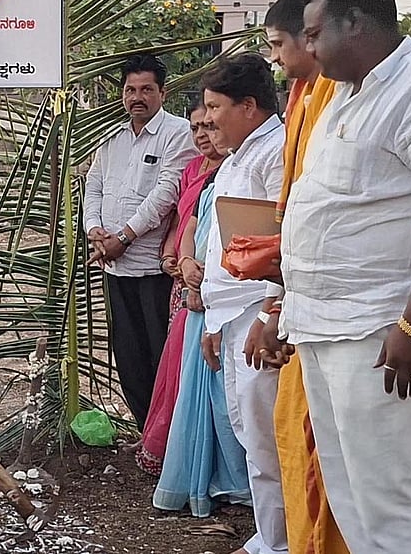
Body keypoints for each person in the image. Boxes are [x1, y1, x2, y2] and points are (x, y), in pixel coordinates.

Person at [278, 0, 411, 553]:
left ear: (355, 23)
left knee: (391, 498)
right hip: (320, 326)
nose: (307, 48)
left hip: (378, 331)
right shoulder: (339, 93)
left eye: (314, 35)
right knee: (347, 493)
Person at [249, 0, 347, 554]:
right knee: (291, 435)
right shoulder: (303, 97)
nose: (279, 57)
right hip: (299, 298)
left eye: (281, 44)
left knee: (332, 458)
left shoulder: (343, 96)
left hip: (344, 310)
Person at [198, 53, 288, 554]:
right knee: (249, 433)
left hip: (258, 315)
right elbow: (222, 246)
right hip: (230, 315)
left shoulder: (274, 153)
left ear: (249, 106)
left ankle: (283, 541)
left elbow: (284, 245)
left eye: (215, 107)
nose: (207, 119)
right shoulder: (236, 158)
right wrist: (214, 319)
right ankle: (270, 535)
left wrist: (267, 313)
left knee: (270, 438)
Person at [83, 54, 197, 428]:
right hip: (113, 266)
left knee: (159, 355)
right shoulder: (111, 137)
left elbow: (166, 194)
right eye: (130, 90)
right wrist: (94, 230)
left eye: (147, 89)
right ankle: (144, 431)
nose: (137, 97)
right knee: (127, 355)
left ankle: (166, 438)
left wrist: (125, 236)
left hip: (154, 269)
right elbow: (94, 185)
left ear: (162, 92)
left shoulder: (178, 133)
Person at [153, 162, 252, 518]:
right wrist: (186, 262)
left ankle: (239, 482)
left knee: (231, 400)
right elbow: (191, 226)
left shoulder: (254, 168)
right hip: (202, 294)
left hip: (237, 300)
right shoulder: (215, 178)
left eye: (211, 118)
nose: (206, 129)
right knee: (202, 393)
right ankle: (208, 479)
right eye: (199, 126)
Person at [135, 103, 225, 475]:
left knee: (206, 372)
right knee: (178, 366)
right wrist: (174, 255)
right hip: (183, 277)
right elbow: (182, 218)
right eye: (195, 128)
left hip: (212, 281)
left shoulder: (231, 170)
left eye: (209, 126)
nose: (202, 135)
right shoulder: (192, 169)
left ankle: (203, 459)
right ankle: (171, 448)